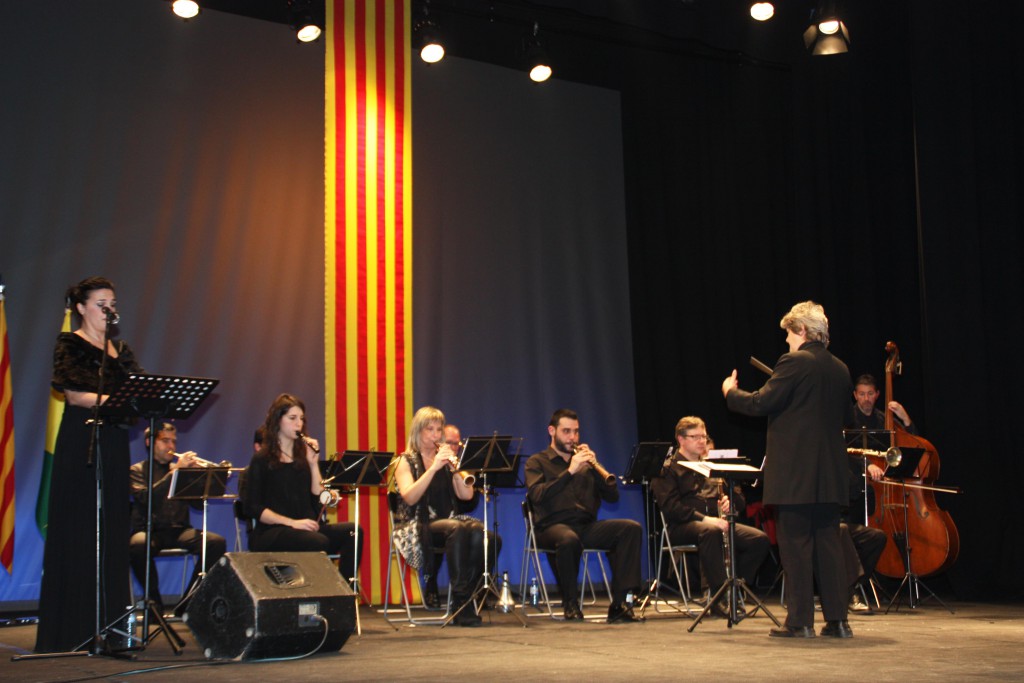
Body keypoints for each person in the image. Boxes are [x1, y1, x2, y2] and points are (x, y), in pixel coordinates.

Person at [721, 301, 853, 639]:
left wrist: (730, 392)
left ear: (803, 331)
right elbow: (846, 418)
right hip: (830, 475)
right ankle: (838, 622)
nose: (786, 342)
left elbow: (761, 402)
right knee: (828, 547)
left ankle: (800, 621)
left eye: (789, 334)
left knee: (795, 548)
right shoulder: (839, 368)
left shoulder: (794, 362)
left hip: (797, 475)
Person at [36, 277, 143, 653]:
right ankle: (73, 629)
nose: (108, 309)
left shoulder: (122, 349)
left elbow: (138, 392)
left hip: (114, 443)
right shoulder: (70, 344)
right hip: (83, 441)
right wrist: (115, 399)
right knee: (81, 527)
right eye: (101, 302)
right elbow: (73, 393)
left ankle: (113, 628)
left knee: (113, 528)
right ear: (81, 307)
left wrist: (131, 400)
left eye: (112, 302)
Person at [524, 408, 644, 623]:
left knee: (630, 528)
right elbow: (537, 496)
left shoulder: (585, 464)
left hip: (585, 526)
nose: (572, 438)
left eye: (576, 432)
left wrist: (596, 468)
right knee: (568, 539)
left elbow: (613, 497)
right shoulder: (537, 462)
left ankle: (620, 603)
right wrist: (569, 471)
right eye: (566, 431)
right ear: (552, 431)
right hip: (549, 527)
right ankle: (570, 603)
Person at [392, 407, 500, 627]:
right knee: (458, 528)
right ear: (418, 432)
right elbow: (410, 497)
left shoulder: (446, 460)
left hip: (448, 523)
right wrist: (432, 469)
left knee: (488, 537)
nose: (435, 435)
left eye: (438, 430)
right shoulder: (405, 461)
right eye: (429, 429)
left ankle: (466, 596)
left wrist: (456, 469)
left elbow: (467, 495)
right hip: (416, 526)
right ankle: (461, 600)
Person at [651, 416, 770, 614]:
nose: (702, 441)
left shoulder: (712, 466)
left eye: (704, 437)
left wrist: (730, 502)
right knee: (710, 531)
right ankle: (718, 596)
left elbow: (740, 501)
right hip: (684, 526)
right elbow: (672, 508)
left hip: (716, 523)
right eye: (695, 437)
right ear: (681, 439)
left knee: (758, 539)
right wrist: (707, 519)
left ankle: (735, 587)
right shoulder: (667, 469)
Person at [242, 394, 362, 582]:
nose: (298, 424)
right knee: (318, 541)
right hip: (273, 531)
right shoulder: (262, 459)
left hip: (305, 528)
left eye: (301, 419)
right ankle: (319, 588)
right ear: (277, 421)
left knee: (353, 531)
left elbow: (317, 496)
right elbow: (252, 507)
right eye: (292, 418)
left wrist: (313, 464)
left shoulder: (302, 457)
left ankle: (344, 589)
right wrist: (292, 523)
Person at [128, 423, 227, 616]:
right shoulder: (137, 470)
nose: (171, 446)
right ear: (150, 442)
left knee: (215, 543)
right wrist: (174, 474)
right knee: (137, 545)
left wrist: (200, 480)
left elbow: (198, 506)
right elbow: (147, 499)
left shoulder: (180, 471)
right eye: (165, 441)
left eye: (173, 441)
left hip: (179, 530)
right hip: (148, 529)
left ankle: (188, 601)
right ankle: (153, 603)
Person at [843, 374, 901, 611]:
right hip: (852, 492)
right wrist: (866, 464)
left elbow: (906, 445)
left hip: (880, 494)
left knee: (877, 537)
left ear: (877, 395)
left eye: (870, 394)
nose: (866, 399)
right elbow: (842, 450)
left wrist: (905, 420)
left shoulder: (883, 420)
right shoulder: (847, 419)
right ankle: (848, 588)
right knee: (846, 533)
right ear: (855, 395)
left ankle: (857, 584)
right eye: (861, 394)